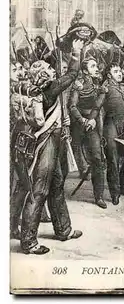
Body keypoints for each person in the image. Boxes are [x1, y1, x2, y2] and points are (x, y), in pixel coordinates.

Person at [11, 39, 84, 255]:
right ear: (44, 76)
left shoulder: (37, 90)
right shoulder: (50, 90)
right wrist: (75, 54)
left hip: (46, 140)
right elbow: (71, 75)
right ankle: (29, 241)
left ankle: (63, 229)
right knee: (39, 190)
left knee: (57, 184)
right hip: (46, 142)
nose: (53, 70)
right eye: (50, 69)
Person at [68, 56, 107, 209]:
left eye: (96, 65)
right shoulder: (78, 85)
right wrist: (83, 120)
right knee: (74, 154)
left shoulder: (97, 83)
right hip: (79, 125)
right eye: (92, 66)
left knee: (97, 158)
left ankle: (99, 196)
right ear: (84, 70)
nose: (96, 68)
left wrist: (93, 119)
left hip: (93, 123)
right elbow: (72, 106)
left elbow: (98, 106)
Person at [98, 62, 124, 205]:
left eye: (120, 71)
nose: (120, 73)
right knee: (113, 161)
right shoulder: (105, 88)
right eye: (116, 71)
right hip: (111, 125)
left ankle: (123, 186)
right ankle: (115, 193)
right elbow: (97, 107)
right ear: (109, 75)